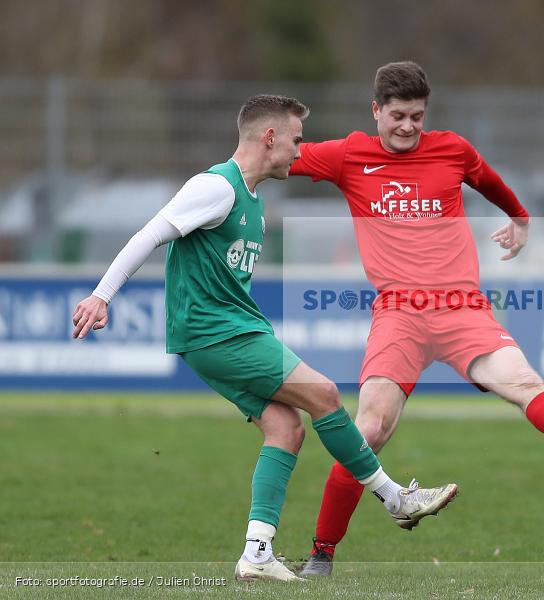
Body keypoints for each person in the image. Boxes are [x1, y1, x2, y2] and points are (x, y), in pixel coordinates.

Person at [71, 94, 458, 584]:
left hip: (223, 332)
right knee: (324, 394)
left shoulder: (253, 200)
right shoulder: (216, 187)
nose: (300, 150)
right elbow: (148, 235)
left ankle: (257, 552)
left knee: (286, 429)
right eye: (296, 139)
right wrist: (101, 296)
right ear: (269, 138)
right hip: (216, 331)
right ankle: (395, 498)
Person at [288, 62, 544, 576]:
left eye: (416, 116)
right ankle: (321, 554)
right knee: (369, 429)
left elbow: (490, 182)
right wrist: (227, 185)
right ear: (376, 111)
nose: (407, 126)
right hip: (399, 313)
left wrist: (519, 218)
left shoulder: (452, 149)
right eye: (397, 116)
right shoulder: (348, 155)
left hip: (461, 307)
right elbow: (278, 158)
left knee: (525, 385)